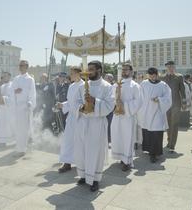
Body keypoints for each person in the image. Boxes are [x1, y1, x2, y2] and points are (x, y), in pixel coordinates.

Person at [74, 61, 115, 192]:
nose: (88, 72)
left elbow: (109, 106)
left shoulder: (107, 87)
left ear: (99, 71)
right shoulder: (82, 86)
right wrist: (81, 107)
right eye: (88, 69)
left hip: (97, 124)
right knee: (82, 151)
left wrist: (94, 101)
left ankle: (95, 179)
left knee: (95, 152)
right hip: (83, 122)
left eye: (91, 69)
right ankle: (83, 175)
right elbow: (75, 101)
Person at [111, 63, 142, 171]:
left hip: (128, 116)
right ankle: (121, 157)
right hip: (117, 115)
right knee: (117, 136)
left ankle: (127, 161)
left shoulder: (135, 86)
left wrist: (124, 106)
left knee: (127, 137)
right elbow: (111, 98)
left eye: (126, 70)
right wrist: (116, 102)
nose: (124, 71)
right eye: (122, 70)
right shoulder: (116, 85)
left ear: (131, 72)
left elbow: (138, 102)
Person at [138, 68, 172, 163]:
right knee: (148, 132)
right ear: (148, 75)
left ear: (157, 74)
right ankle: (149, 150)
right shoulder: (144, 84)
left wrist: (159, 99)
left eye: (154, 74)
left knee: (156, 133)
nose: (153, 76)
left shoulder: (163, 85)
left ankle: (154, 153)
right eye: (151, 74)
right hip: (146, 112)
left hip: (158, 112)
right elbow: (139, 97)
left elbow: (168, 97)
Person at [57, 66, 84, 173]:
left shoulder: (84, 85)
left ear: (78, 74)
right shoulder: (72, 86)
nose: (70, 75)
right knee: (68, 140)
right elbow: (70, 102)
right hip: (71, 117)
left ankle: (82, 162)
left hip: (81, 118)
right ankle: (67, 162)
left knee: (80, 141)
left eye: (72, 73)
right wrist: (62, 105)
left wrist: (77, 109)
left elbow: (84, 104)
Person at [11, 60, 36, 156]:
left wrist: (30, 103)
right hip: (16, 106)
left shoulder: (30, 79)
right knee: (18, 128)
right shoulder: (16, 78)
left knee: (24, 128)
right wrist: (14, 91)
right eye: (19, 65)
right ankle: (19, 147)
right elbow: (11, 91)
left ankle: (23, 149)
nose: (20, 67)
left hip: (25, 106)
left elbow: (32, 93)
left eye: (22, 65)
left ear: (26, 67)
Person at [161, 61, 186, 152]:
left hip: (176, 103)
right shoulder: (162, 77)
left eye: (172, 66)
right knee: (168, 124)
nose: (171, 68)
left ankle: (172, 145)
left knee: (174, 124)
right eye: (169, 66)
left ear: (174, 67)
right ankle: (169, 141)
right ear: (166, 67)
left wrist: (184, 103)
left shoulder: (179, 77)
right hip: (166, 105)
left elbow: (182, 90)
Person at [0, 72, 15, 146]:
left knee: (9, 126)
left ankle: (15, 140)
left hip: (9, 109)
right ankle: (2, 141)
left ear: (9, 77)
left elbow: (12, 97)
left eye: (5, 76)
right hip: (2, 109)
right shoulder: (2, 86)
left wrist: (3, 98)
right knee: (1, 125)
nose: (4, 78)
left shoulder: (12, 85)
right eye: (3, 76)